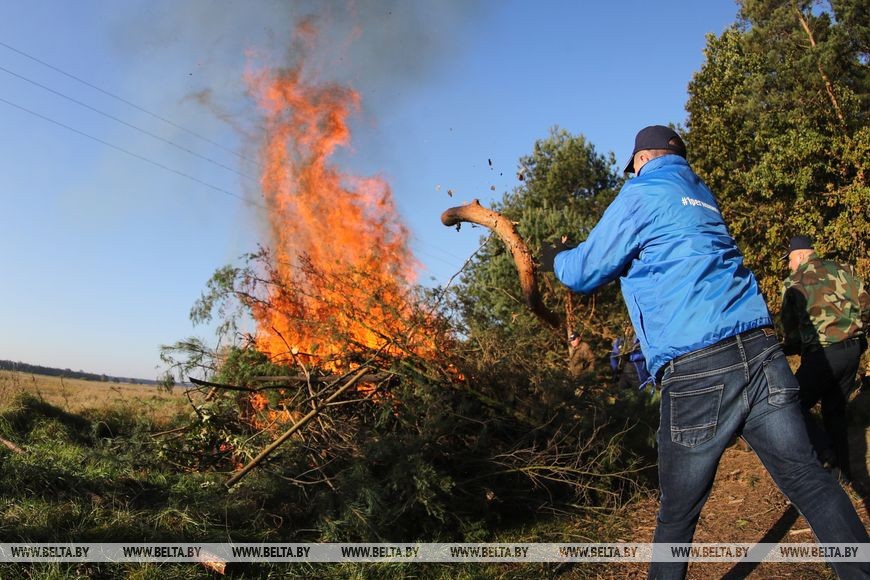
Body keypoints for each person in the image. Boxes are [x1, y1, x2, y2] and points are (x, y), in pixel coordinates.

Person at [540, 125, 869, 579]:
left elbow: (581, 272)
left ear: (639, 161)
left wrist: (553, 255)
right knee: (809, 480)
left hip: (698, 364)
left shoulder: (640, 193)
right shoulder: (701, 194)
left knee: (677, 514)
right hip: (759, 350)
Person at [780, 235, 869, 482]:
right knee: (835, 410)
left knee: (790, 405)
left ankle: (824, 452)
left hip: (823, 354)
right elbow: (865, 306)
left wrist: (791, 346)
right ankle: (842, 473)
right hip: (852, 350)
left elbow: (791, 328)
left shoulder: (794, 283)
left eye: (789, 260)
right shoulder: (845, 270)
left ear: (799, 255)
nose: (788, 265)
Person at [610, 326, 651, 390]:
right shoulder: (619, 341)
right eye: (626, 328)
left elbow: (646, 353)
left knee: (641, 392)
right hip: (623, 373)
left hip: (638, 373)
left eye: (630, 328)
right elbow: (613, 355)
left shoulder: (640, 339)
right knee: (621, 392)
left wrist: (631, 357)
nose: (627, 330)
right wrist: (615, 367)